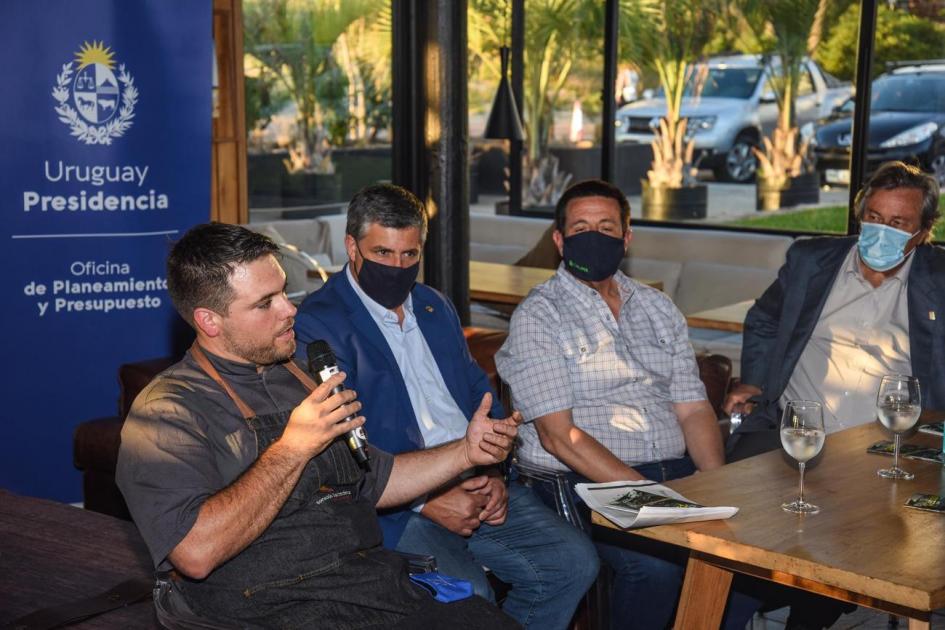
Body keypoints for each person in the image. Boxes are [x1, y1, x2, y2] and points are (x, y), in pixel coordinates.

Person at [116, 222, 523, 629]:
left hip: (359, 583)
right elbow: (195, 553)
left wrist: (466, 451)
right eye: (265, 303)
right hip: (264, 606)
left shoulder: (296, 375)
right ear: (209, 321)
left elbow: (377, 480)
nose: (290, 309)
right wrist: (293, 448)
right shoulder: (168, 411)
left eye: (284, 291)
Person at [292, 184, 599, 630]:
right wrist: (426, 500)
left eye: (409, 255)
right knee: (467, 598)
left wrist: (494, 471)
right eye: (383, 253)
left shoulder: (434, 306)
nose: (398, 267)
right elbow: (345, 446)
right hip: (398, 506)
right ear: (351, 247)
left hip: (475, 477)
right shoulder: (319, 324)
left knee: (572, 562)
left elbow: (481, 397)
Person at [495, 179, 758, 629]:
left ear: (626, 237)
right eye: (580, 227)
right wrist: (654, 500)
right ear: (559, 241)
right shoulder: (539, 316)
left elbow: (693, 408)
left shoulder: (658, 307)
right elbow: (561, 438)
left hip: (674, 475)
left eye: (606, 226)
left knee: (754, 565)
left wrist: (716, 486)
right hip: (582, 484)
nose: (593, 236)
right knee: (657, 569)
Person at [725, 161, 945, 458]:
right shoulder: (810, 261)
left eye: (897, 224)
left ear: (922, 232)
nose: (881, 231)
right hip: (795, 436)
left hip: (890, 447)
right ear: (860, 214)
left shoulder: (939, 281)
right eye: (874, 217)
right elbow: (765, 319)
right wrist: (753, 381)